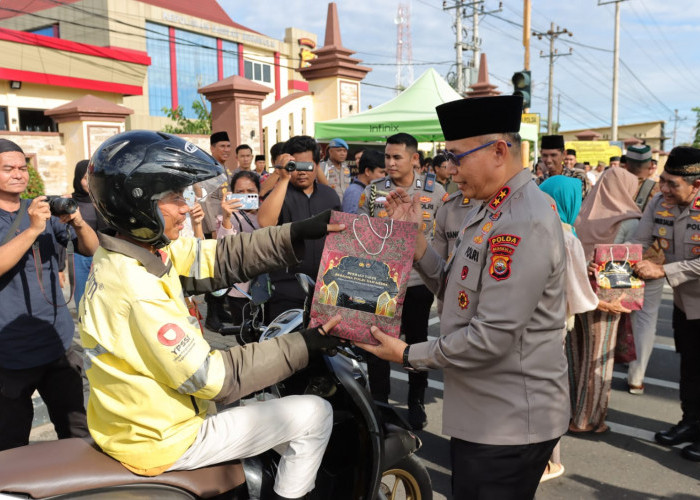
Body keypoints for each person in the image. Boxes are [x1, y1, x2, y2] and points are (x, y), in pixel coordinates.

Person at [81, 130, 345, 500]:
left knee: (270, 404)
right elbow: (212, 377)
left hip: (142, 421)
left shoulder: (136, 252)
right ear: (137, 203)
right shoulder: (135, 287)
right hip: (163, 437)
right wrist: (305, 345)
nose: (186, 206)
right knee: (315, 413)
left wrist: (295, 233)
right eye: (174, 197)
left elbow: (217, 258)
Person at [357, 95, 569, 499]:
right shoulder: (489, 207)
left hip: (507, 421)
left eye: (456, 157)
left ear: (498, 151)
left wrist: (406, 355)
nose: (449, 170)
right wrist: (415, 240)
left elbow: (492, 337)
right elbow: (457, 291)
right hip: (485, 411)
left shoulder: (523, 221)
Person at [0, 138, 99, 451]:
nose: (18, 174)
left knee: (78, 431)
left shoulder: (41, 209)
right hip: (10, 351)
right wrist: (32, 229)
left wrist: (78, 222)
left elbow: (92, 248)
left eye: (22, 167)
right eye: (7, 169)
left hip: (57, 341)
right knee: (12, 442)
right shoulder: (33, 219)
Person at [358, 132, 446, 430]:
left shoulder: (435, 192)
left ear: (414, 159)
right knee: (377, 344)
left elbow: (441, 238)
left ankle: (416, 403)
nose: (391, 163)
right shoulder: (373, 191)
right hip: (383, 283)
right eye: (387, 157)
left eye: (397, 157)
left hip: (419, 282)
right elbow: (361, 229)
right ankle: (379, 403)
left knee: (417, 345)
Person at [631, 146, 700, 461]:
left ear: (696, 184)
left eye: (673, 184)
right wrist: (616, 272)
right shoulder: (659, 202)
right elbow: (641, 242)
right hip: (687, 304)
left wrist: (663, 270)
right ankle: (690, 423)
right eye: (663, 181)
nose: (664, 189)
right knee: (688, 367)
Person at [570, 168, 641, 433]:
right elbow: (626, 263)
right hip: (607, 295)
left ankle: (572, 413)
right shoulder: (630, 220)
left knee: (576, 355)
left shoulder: (583, 213)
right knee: (598, 359)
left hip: (578, 292)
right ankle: (588, 420)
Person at [538, 176, 599, 482]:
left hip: (530, 327)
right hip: (554, 327)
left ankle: (550, 460)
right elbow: (580, 296)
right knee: (547, 393)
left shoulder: (531, 226)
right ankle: (551, 460)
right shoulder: (568, 236)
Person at [258, 135, 341, 320]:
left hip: (325, 288)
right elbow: (264, 222)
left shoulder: (330, 196)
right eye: (296, 166)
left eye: (307, 166)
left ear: (317, 165)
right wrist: (283, 177)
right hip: (286, 288)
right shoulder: (279, 194)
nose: (302, 172)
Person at [624, 143, 663, 394]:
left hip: (620, 258)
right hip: (653, 261)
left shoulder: (616, 184)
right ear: (650, 166)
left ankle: (607, 365)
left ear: (626, 164)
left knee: (617, 313)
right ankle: (636, 377)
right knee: (646, 319)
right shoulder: (660, 191)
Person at [216, 170, 262, 326]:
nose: (245, 196)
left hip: (266, 287)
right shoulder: (225, 218)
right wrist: (227, 218)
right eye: (240, 192)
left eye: (250, 191)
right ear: (232, 194)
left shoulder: (268, 214)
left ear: (259, 192)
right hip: (239, 288)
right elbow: (223, 249)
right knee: (243, 333)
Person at [69, 159, 109, 307]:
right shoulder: (71, 202)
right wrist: (60, 268)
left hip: (105, 252)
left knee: (104, 295)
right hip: (80, 256)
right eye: (85, 178)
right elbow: (62, 233)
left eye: (92, 176)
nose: (89, 182)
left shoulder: (104, 200)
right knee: (82, 296)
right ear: (78, 179)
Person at [539, 135, 591, 199]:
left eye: (553, 155)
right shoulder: (540, 182)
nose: (548, 160)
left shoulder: (578, 177)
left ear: (564, 154)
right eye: (545, 155)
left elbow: (587, 203)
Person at [341, 149, 385, 214]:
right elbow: (352, 222)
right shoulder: (354, 192)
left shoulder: (367, 190)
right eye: (382, 172)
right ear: (367, 171)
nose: (384, 176)